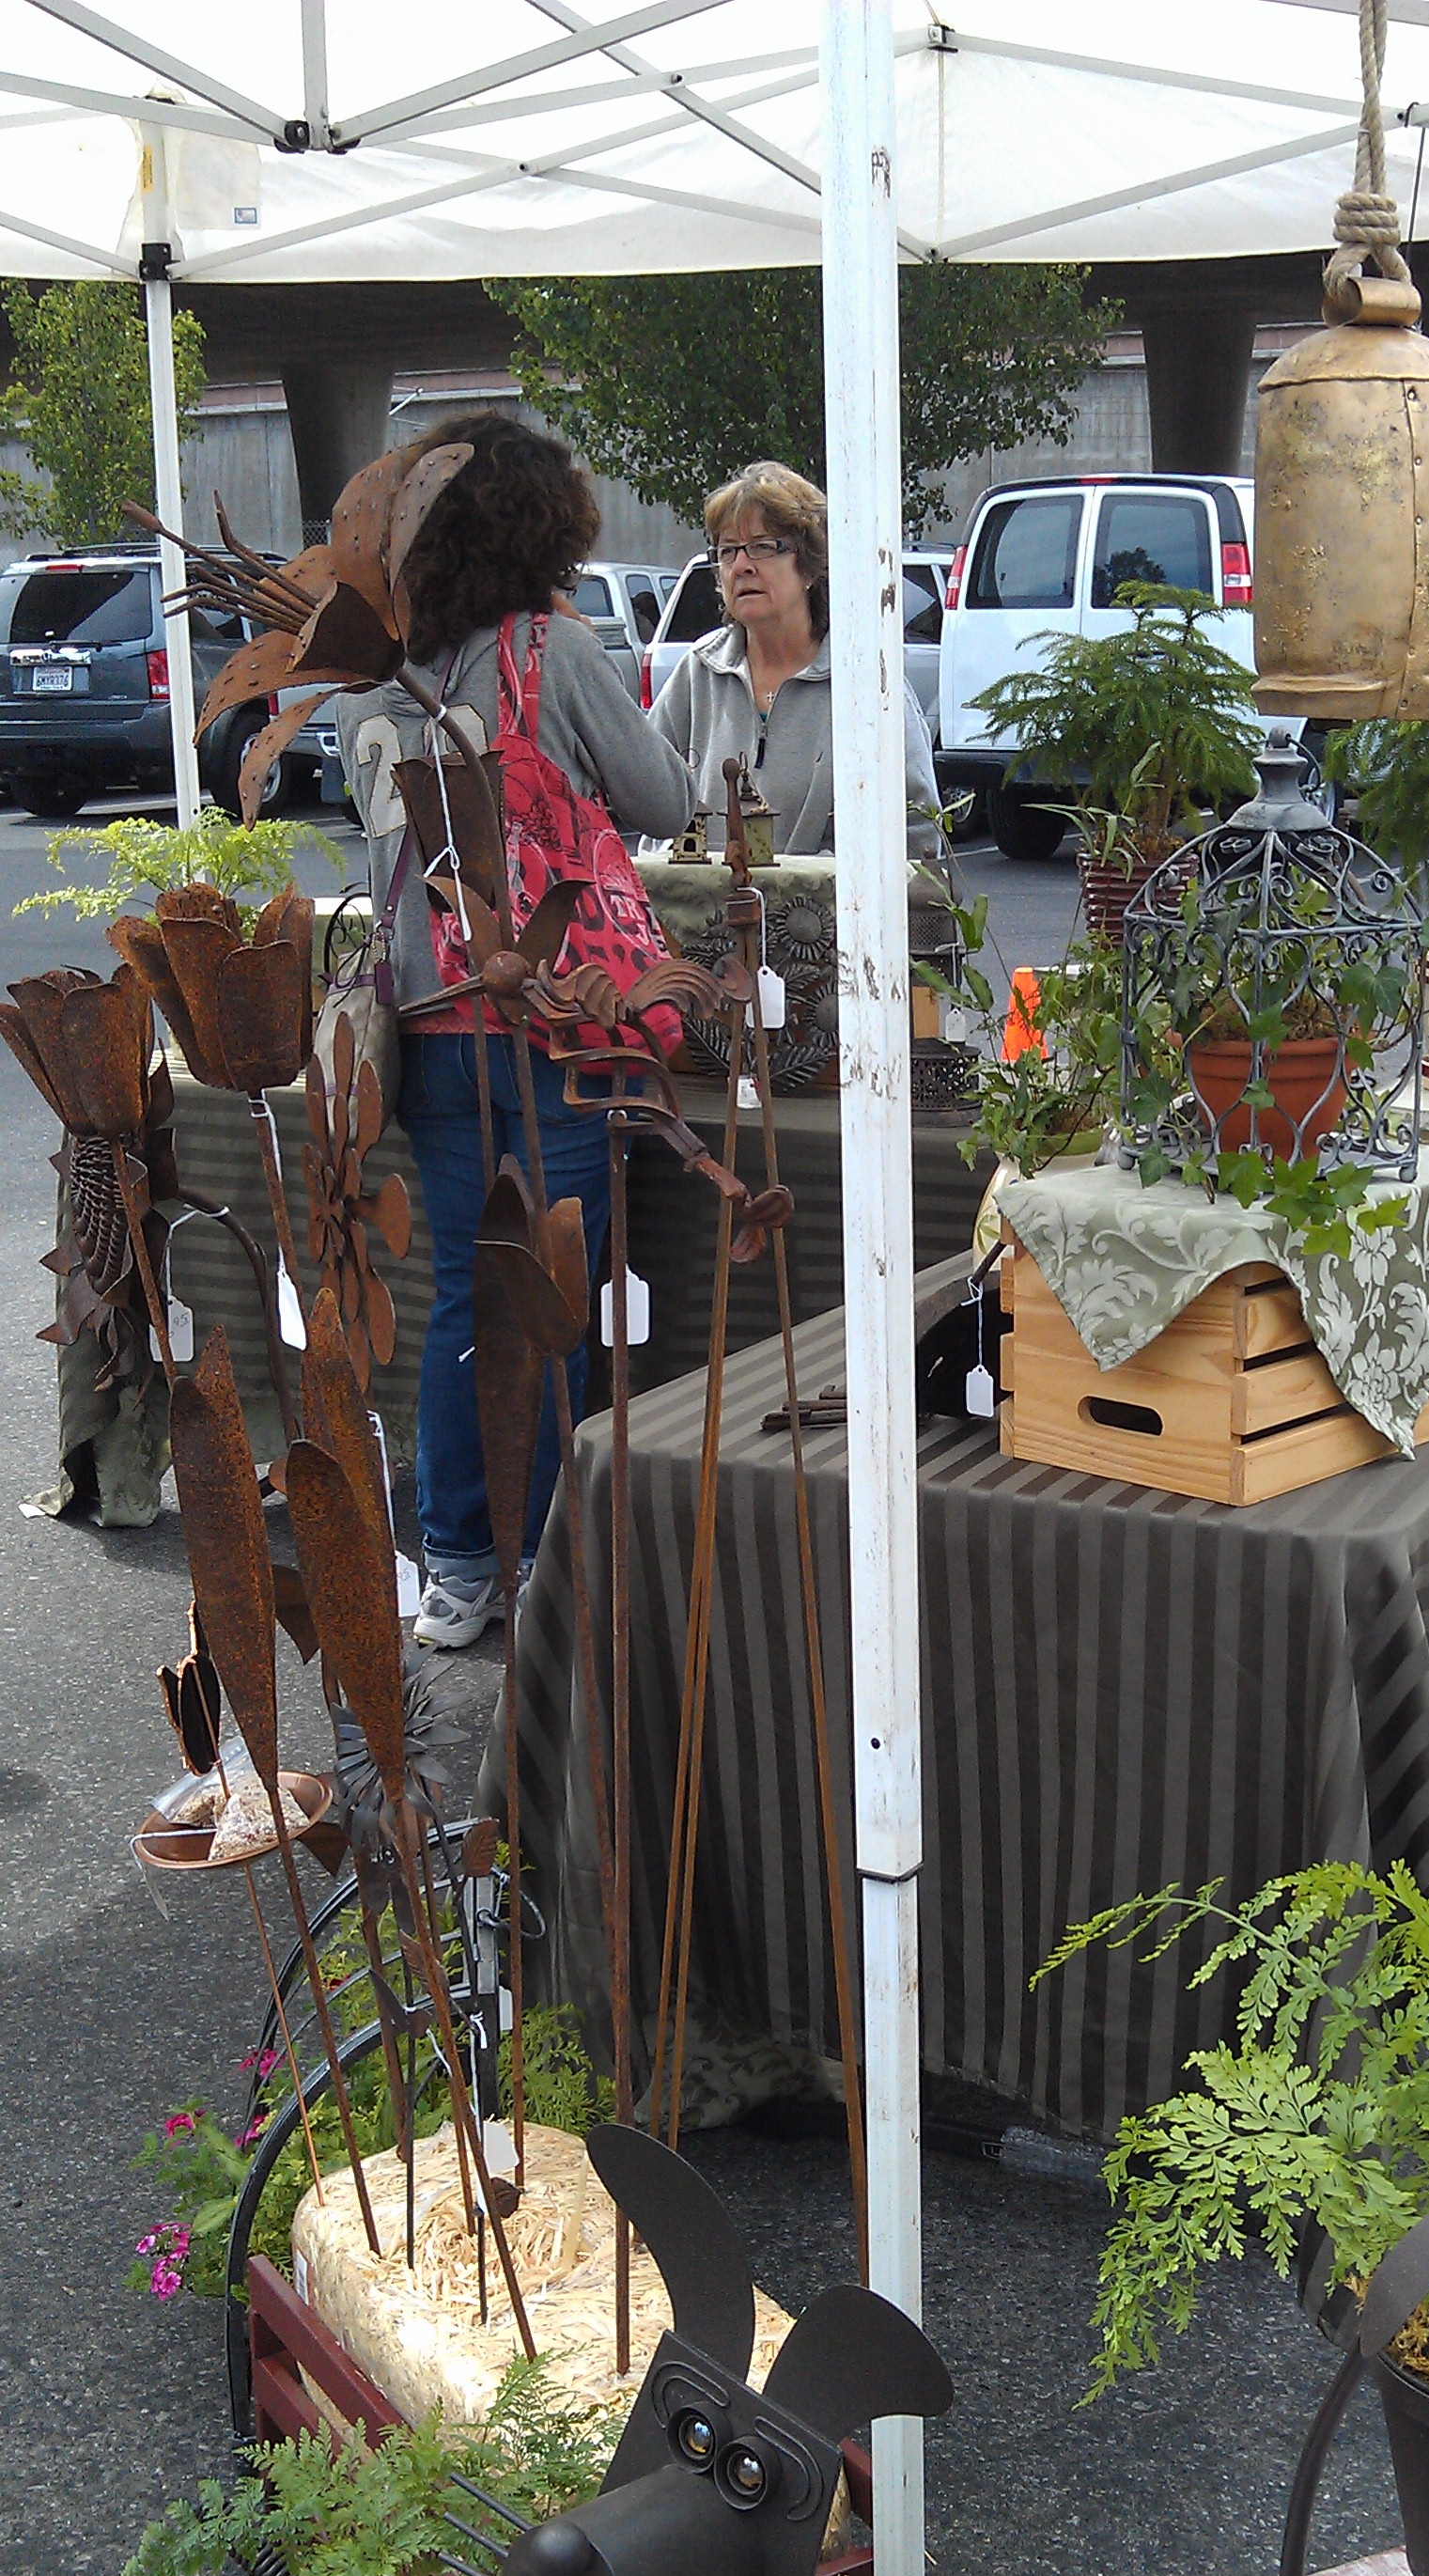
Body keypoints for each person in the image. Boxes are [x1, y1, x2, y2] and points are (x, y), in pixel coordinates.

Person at [338, 412, 693, 1649]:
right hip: (548, 1012)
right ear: (542, 525)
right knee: (546, 1288)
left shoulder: (373, 679)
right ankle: (544, 1558)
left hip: (428, 1021)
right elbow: (665, 799)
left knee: (457, 1292)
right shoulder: (551, 648)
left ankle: (455, 1566)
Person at [650, 460, 940, 856]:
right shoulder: (697, 673)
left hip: (820, 916)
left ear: (809, 567)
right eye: (728, 551)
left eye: (763, 547)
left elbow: (917, 834)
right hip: (700, 916)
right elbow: (653, 813)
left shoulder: (864, 684)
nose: (741, 566)